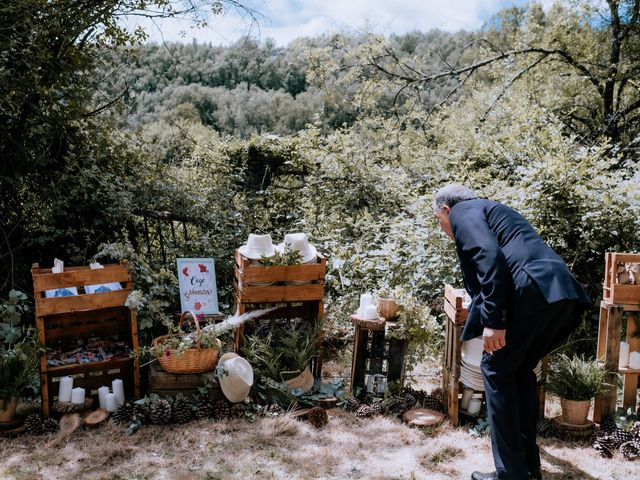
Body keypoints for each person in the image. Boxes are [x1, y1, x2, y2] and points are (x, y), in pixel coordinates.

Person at [433, 184, 591, 480]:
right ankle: (528, 468)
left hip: (533, 292)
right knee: (517, 372)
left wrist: (495, 321)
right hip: (559, 293)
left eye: (439, 221)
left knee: (496, 369)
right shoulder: (493, 211)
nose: (443, 228)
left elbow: (490, 258)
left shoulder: (463, 211)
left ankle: (510, 474)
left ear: (446, 210)